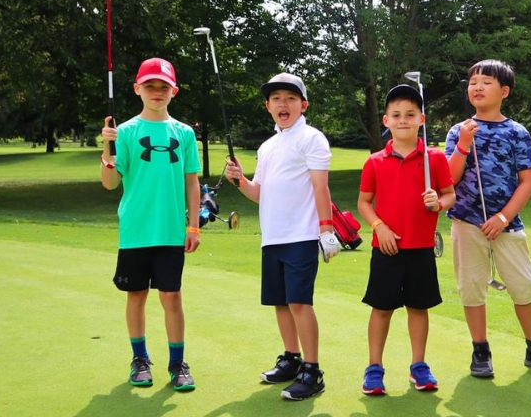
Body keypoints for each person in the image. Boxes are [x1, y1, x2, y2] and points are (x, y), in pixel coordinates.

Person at [445, 59, 531, 379]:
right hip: (466, 222)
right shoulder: (458, 130)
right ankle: (480, 350)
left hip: (506, 224)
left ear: (504, 91)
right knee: (471, 288)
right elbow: (447, 179)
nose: (477, 86)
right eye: (473, 81)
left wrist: (503, 217)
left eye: (486, 81)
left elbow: (527, 181)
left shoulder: (516, 132)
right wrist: (462, 144)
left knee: (523, 286)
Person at [224, 72, 340, 401]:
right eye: (276, 98)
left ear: (303, 104)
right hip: (272, 236)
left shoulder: (312, 138)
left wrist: (326, 228)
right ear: (268, 106)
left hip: (302, 235)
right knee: (280, 302)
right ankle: (292, 359)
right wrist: (239, 180)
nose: (283, 103)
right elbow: (259, 193)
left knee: (299, 302)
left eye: (290, 98)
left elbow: (321, 186)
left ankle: (313, 370)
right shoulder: (267, 146)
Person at [99, 57, 201, 392]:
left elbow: (191, 182)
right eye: (150, 85)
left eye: (163, 86)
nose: (156, 92)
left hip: (171, 231)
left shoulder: (184, 133)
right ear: (137, 89)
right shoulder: (125, 132)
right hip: (136, 231)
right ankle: (140, 359)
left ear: (174, 90)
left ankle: (177, 364)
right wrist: (107, 146)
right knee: (137, 295)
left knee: (172, 298)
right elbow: (110, 183)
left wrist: (193, 226)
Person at [357, 84, 456, 395]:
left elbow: (449, 195)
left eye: (410, 114)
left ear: (421, 119)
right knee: (382, 308)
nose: (403, 120)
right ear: (386, 121)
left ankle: (418, 365)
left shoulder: (435, 159)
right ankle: (374, 367)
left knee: (418, 307)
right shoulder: (374, 161)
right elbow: (363, 203)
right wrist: (379, 227)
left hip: (421, 247)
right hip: (386, 248)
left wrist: (437, 203)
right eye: (396, 115)